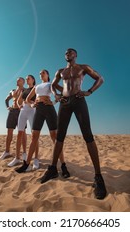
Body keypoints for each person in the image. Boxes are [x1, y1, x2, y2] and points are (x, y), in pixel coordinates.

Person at [40, 49, 107, 200]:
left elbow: (100, 79)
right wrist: (57, 95)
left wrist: (89, 91)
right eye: (66, 52)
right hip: (64, 103)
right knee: (59, 138)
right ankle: (52, 169)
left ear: (75, 55)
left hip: (78, 101)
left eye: (71, 52)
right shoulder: (60, 71)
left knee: (88, 136)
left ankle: (98, 177)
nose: (68, 53)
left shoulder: (83, 67)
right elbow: (53, 85)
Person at [16, 69, 70, 178]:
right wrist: (32, 105)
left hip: (49, 109)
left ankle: (63, 165)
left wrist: (54, 102)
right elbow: (26, 99)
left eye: (43, 73)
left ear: (48, 75)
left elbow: (64, 92)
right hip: (39, 109)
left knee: (55, 138)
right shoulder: (36, 87)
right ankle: (26, 164)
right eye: (40, 73)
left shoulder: (51, 84)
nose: (41, 74)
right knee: (34, 137)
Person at [8, 75, 39, 169]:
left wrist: (33, 104)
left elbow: (38, 99)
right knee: (19, 134)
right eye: (26, 79)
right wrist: (20, 105)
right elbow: (18, 101)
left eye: (28, 78)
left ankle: (36, 159)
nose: (26, 80)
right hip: (23, 112)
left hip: (32, 111)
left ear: (33, 80)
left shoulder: (36, 88)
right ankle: (17, 158)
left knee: (34, 135)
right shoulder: (24, 91)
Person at [0, 77, 26, 160]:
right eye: (17, 80)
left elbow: (30, 100)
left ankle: (24, 153)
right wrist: (7, 107)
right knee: (9, 132)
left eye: (19, 80)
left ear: (23, 82)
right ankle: (7, 151)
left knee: (22, 133)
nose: (17, 81)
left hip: (20, 112)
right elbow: (6, 99)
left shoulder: (26, 90)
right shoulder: (13, 91)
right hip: (12, 112)